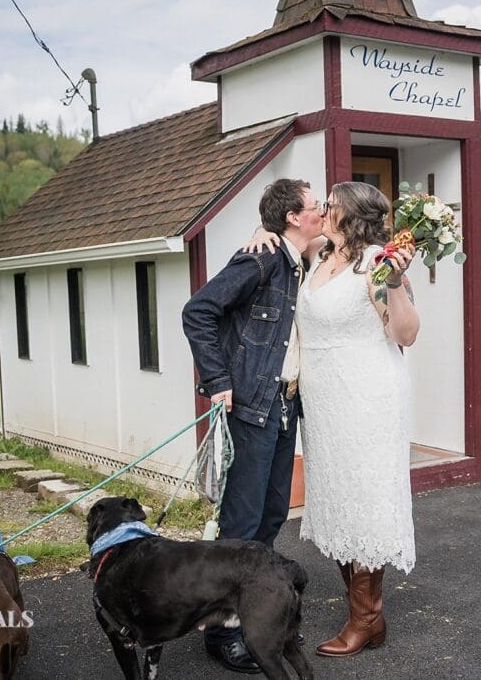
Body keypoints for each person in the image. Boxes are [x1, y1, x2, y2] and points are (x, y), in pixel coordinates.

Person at [247, 181, 419, 658]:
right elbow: (287, 234)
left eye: (330, 205)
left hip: (367, 395)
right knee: (340, 498)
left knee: (365, 497)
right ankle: (367, 615)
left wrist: (394, 285)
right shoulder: (319, 256)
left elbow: (405, 333)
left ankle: (366, 618)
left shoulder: (377, 262)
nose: (321, 210)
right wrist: (261, 230)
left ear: (349, 216)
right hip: (323, 403)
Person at [182, 178, 324, 674]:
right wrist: (218, 379)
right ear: (292, 217)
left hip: (285, 407)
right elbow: (198, 310)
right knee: (241, 524)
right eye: (315, 206)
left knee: (271, 516)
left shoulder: (297, 257)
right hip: (251, 408)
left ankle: (257, 613)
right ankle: (223, 632)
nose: (323, 211)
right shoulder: (258, 260)